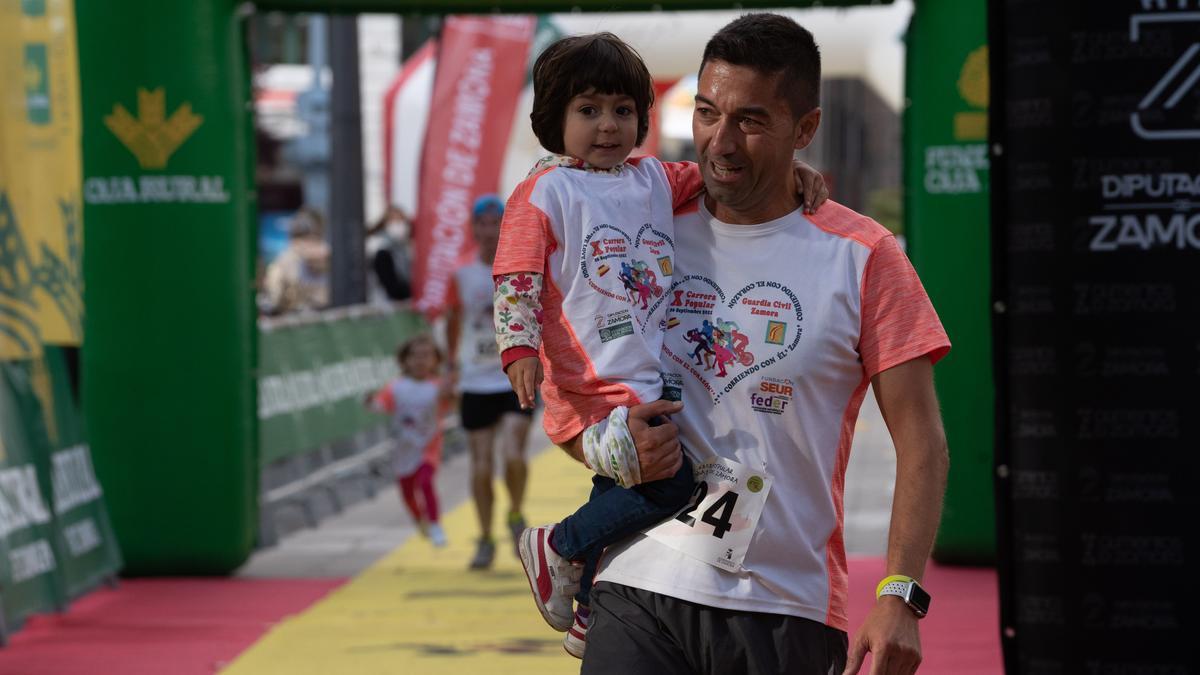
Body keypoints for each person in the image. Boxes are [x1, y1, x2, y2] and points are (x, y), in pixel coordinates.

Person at [579, 14, 952, 675]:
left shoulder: (864, 258)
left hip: (785, 606)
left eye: (749, 120)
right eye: (704, 111)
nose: (719, 141)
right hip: (638, 576)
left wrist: (901, 592)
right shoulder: (645, 219)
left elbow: (921, 437)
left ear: (803, 130)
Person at [492, 32, 829, 659]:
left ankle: (592, 600)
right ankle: (558, 547)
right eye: (587, 110)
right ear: (552, 118)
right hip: (591, 383)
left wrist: (791, 172)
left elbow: (718, 176)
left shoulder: (651, 178)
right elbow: (516, 275)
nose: (608, 126)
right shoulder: (545, 192)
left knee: (624, 486)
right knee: (668, 485)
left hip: (640, 378)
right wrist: (519, 351)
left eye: (623, 111)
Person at [446, 194, 534, 570]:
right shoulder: (461, 276)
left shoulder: (522, 269)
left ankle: (515, 513)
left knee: (513, 455)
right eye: (482, 224)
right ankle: (484, 537)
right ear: (473, 230)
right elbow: (452, 324)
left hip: (513, 377)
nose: (489, 231)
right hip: (474, 379)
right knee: (481, 465)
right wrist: (450, 367)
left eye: (496, 223)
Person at [365, 333, 454, 547]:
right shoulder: (395, 387)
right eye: (415, 356)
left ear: (435, 360)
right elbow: (381, 405)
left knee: (425, 481)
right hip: (403, 448)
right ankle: (418, 518)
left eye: (426, 356)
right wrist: (370, 402)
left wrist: (451, 393)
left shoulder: (438, 387)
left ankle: (435, 524)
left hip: (428, 447)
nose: (420, 361)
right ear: (405, 360)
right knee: (407, 493)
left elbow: (451, 404)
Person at [261, 207, 330, 315]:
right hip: (302, 316)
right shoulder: (288, 257)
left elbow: (274, 300)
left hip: (312, 316)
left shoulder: (288, 257)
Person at [365, 205, 414, 304]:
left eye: (401, 220)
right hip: (384, 305)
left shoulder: (404, 248)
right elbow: (391, 287)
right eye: (394, 221)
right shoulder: (379, 248)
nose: (399, 225)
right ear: (385, 224)